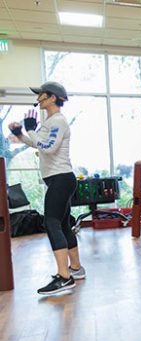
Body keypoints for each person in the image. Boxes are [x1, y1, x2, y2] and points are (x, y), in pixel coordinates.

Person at [8, 81, 85, 295]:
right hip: (57, 178)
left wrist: (31, 129)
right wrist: (22, 134)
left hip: (61, 178)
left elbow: (48, 148)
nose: (38, 97)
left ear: (52, 98)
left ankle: (64, 276)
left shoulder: (58, 120)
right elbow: (39, 143)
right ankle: (76, 269)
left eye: (41, 94)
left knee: (50, 222)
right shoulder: (51, 121)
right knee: (62, 223)